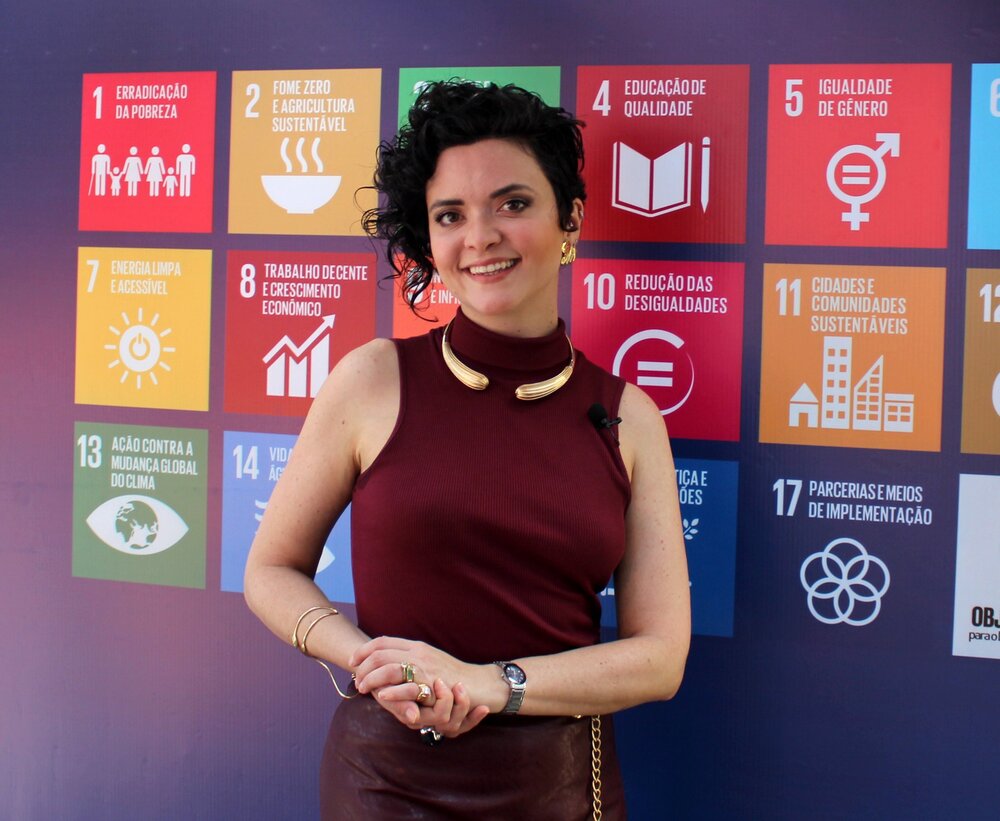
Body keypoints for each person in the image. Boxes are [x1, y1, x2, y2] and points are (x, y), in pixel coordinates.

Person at [244, 81, 691, 820]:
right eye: (450, 215)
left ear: (571, 218)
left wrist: (491, 683)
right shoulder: (371, 379)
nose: (479, 236)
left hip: (558, 790)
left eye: (512, 203)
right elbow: (271, 568)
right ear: (429, 239)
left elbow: (661, 657)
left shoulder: (630, 417)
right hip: (384, 784)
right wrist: (366, 660)